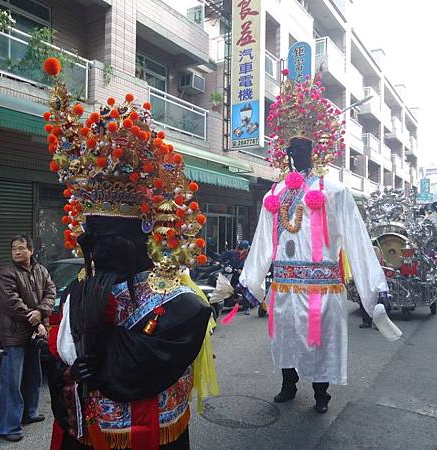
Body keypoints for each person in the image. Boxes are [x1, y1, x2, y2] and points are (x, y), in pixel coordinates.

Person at [41, 60, 217, 450]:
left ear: (144, 230)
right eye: (95, 236)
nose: (99, 246)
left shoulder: (181, 305)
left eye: (109, 236)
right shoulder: (76, 293)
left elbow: (147, 365)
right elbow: (58, 356)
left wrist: (99, 358)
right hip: (89, 432)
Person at [240, 71, 389, 414]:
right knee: (286, 340)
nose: (298, 153)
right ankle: (288, 383)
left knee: (319, 344)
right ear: (287, 153)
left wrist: (373, 287)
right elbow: (263, 240)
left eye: (303, 147)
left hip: (321, 290)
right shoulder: (275, 193)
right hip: (284, 287)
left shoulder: (334, 192)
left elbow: (357, 239)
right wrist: (251, 281)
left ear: (314, 149)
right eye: (292, 148)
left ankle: (321, 393)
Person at [0, 234, 56, 442]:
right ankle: (8, 426)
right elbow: (11, 302)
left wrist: (41, 311)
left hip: (34, 332)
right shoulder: (6, 273)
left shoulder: (41, 270)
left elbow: (51, 291)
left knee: (34, 375)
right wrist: (36, 319)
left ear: (31, 251)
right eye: (14, 248)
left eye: (21, 248)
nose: (17, 251)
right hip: (15, 334)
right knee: (12, 381)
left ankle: (30, 412)